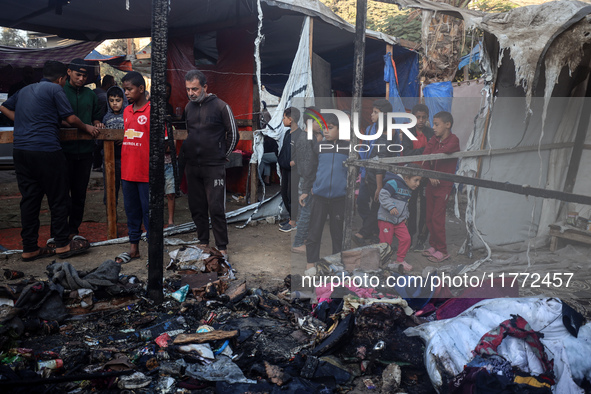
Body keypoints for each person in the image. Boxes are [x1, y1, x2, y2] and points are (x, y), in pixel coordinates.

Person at [0, 60, 98, 261]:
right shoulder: (55, 90)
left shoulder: (26, 90)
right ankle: (62, 244)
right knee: (59, 197)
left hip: (21, 151)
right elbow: (70, 119)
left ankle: (29, 248)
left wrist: (23, 121)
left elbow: (3, 108)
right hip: (46, 150)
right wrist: (87, 128)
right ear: (62, 78)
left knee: (30, 199)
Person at [183, 69, 238, 260]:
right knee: (197, 206)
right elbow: (189, 133)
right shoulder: (188, 108)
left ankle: (222, 247)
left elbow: (234, 135)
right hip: (193, 166)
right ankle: (203, 243)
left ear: (205, 87)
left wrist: (222, 156)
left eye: (195, 89)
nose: (191, 93)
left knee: (216, 207)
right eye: (188, 89)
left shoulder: (221, 106)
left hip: (214, 167)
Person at [61, 58, 104, 241]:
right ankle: (61, 231)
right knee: (62, 193)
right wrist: (81, 126)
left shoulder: (90, 94)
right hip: (63, 151)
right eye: (78, 74)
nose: (81, 78)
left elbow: (95, 116)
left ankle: (74, 230)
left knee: (79, 193)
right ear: (69, 72)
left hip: (85, 151)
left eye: (84, 75)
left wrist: (97, 123)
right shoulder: (59, 91)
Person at [300, 113, 349, 268]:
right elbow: (311, 169)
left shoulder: (348, 148)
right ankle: (311, 264)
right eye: (324, 128)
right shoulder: (319, 147)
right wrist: (306, 189)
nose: (326, 131)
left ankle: (336, 263)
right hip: (319, 197)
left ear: (340, 130)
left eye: (331, 128)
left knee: (337, 233)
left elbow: (355, 172)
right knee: (314, 232)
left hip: (339, 199)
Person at [354, 99, 396, 246]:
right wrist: (361, 171)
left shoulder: (391, 132)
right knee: (363, 203)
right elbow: (364, 149)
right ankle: (372, 229)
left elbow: (385, 158)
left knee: (378, 205)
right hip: (368, 173)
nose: (372, 114)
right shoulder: (370, 129)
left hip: (383, 176)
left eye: (375, 112)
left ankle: (368, 232)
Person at [421, 111, 460, 263]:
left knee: (438, 218)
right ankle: (433, 245)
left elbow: (440, 153)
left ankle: (442, 250)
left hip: (444, 185)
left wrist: (433, 166)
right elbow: (426, 155)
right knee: (429, 217)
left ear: (448, 125)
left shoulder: (453, 140)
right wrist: (430, 174)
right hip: (432, 184)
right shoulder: (433, 139)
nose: (434, 128)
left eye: (436, 125)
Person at [120, 71, 150, 262]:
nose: (126, 93)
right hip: (127, 172)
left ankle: (154, 251)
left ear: (141, 89)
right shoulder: (126, 111)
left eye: (129, 89)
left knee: (149, 213)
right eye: (124, 90)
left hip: (146, 173)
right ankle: (134, 248)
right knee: (131, 211)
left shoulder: (151, 111)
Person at [377, 164, 423, 272]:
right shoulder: (393, 183)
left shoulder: (408, 189)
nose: (418, 184)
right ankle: (383, 262)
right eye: (416, 180)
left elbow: (405, 204)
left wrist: (405, 216)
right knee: (385, 243)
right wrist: (391, 206)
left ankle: (399, 260)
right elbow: (383, 195)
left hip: (399, 220)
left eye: (419, 181)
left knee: (406, 238)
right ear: (406, 178)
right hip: (386, 219)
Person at [401, 103, 434, 251]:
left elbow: (434, 152)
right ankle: (409, 236)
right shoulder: (407, 132)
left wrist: (421, 152)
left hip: (427, 174)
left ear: (427, 118)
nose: (420, 120)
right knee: (411, 206)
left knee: (426, 207)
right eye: (418, 117)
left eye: (423, 117)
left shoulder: (431, 132)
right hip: (412, 174)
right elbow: (407, 154)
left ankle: (421, 238)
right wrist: (424, 150)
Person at [291, 107, 320, 254]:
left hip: (304, 180)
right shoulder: (307, 137)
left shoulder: (306, 136)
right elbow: (308, 165)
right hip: (307, 181)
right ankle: (298, 243)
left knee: (305, 211)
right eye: (318, 122)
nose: (321, 125)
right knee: (306, 212)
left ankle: (301, 240)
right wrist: (307, 188)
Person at [101, 86, 128, 207]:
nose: (115, 104)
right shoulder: (106, 118)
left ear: (123, 100)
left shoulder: (129, 115)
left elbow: (135, 132)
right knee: (111, 188)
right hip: (110, 158)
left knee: (128, 188)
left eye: (118, 100)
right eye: (111, 101)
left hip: (127, 157)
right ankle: (112, 217)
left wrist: (125, 138)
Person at [277, 107, 299, 233]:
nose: (283, 120)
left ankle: (293, 222)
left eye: (284, 117)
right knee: (284, 193)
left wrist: (294, 162)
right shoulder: (287, 133)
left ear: (290, 119)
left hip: (293, 170)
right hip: (284, 168)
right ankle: (291, 217)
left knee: (292, 195)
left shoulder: (300, 135)